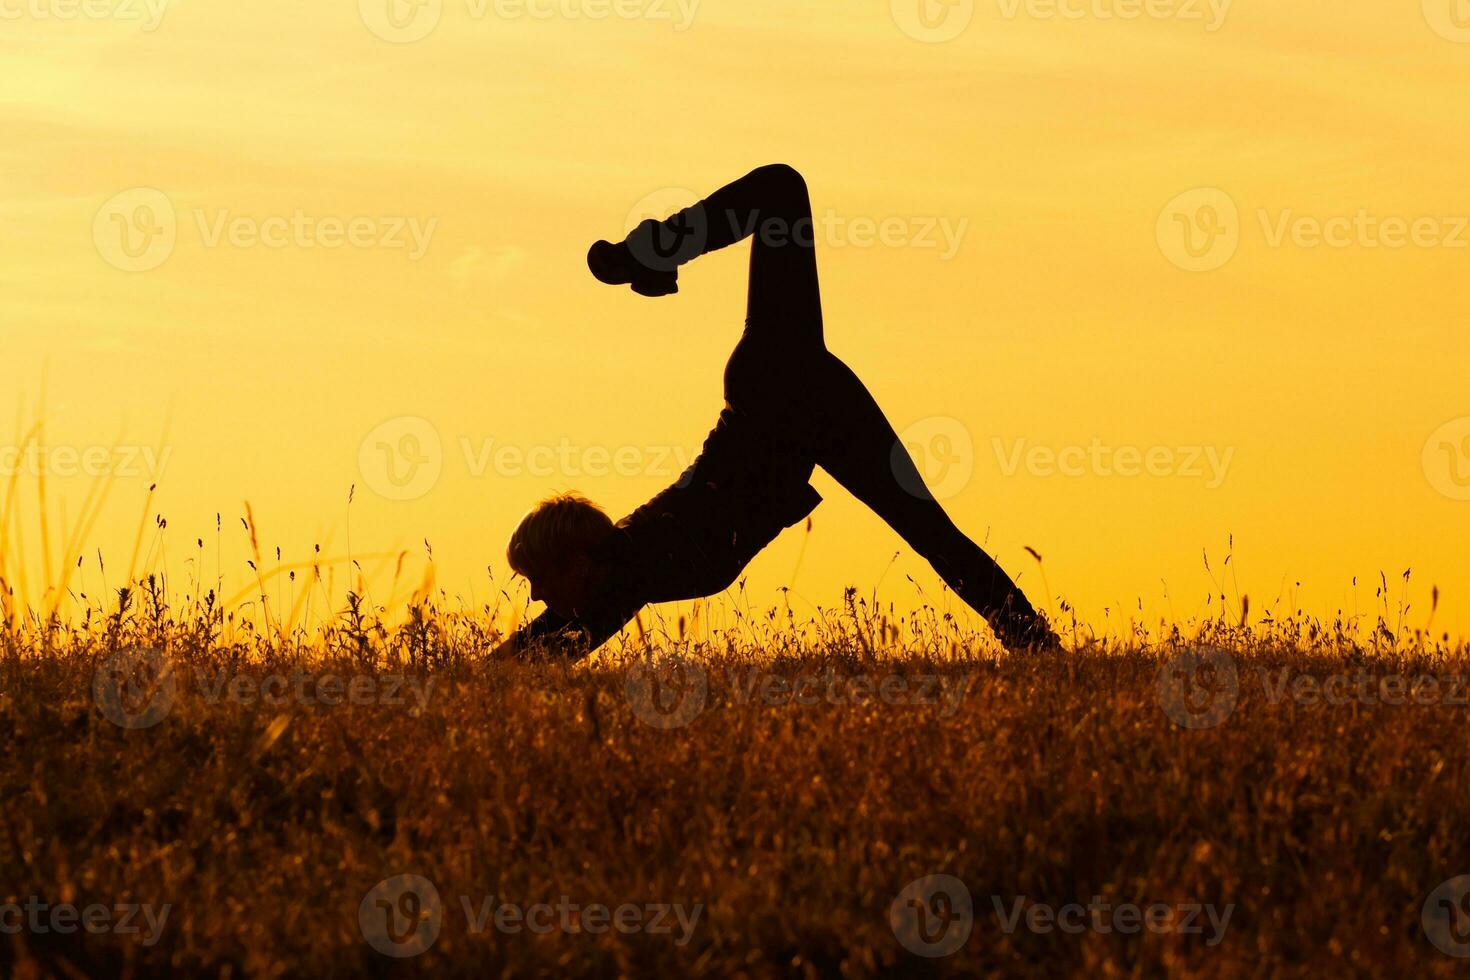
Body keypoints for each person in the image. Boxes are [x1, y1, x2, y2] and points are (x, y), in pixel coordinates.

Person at [495, 163, 1056, 658]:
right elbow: (529, 661)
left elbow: (535, 652)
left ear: (578, 563)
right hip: (801, 407)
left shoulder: (627, 568)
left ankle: (648, 253)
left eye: (538, 579)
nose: (537, 596)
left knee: (781, 190)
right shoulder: (616, 577)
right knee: (934, 534)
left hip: (775, 387)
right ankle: (1037, 647)